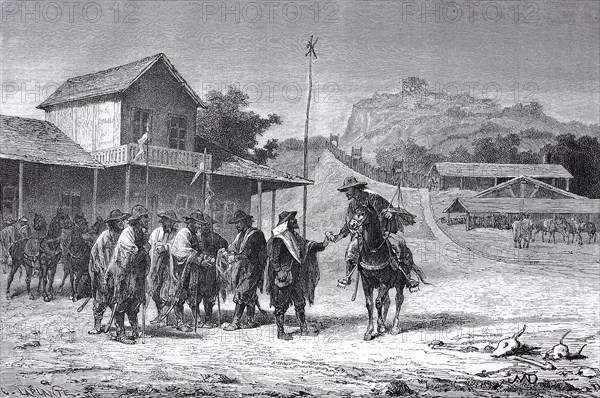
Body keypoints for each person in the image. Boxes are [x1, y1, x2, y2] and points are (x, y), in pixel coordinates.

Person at [328, 176, 420, 289]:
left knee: (400, 243)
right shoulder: (352, 205)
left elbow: (388, 209)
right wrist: (339, 236)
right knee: (351, 250)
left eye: (347, 190)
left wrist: (390, 215)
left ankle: (407, 277)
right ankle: (347, 277)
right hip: (363, 236)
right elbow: (350, 223)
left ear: (355, 188)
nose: (346, 193)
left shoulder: (373, 197)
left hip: (381, 233)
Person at [266, 211, 329, 340]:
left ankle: (303, 328)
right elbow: (273, 257)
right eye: (292, 220)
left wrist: (324, 242)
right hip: (284, 276)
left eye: (294, 219)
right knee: (280, 305)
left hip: (295, 277)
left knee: (300, 303)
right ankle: (281, 332)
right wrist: (279, 271)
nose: (295, 221)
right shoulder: (279, 238)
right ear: (286, 223)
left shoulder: (294, 237)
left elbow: (307, 245)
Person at [106, 205, 150, 344]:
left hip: (135, 274)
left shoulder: (141, 233)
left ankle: (135, 329)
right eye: (144, 217)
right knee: (121, 302)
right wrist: (144, 250)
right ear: (137, 220)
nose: (147, 220)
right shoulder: (127, 234)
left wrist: (145, 247)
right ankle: (120, 333)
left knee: (135, 302)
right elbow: (130, 257)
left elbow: (142, 257)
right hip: (123, 274)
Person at [222, 210, 267, 331]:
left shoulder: (255, 234)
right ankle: (250, 320)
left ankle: (235, 322)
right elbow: (234, 246)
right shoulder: (241, 235)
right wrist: (226, 251)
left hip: (253, 268)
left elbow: (247, 252)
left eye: (238, 222)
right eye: (235, 223)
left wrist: (235, 257)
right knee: (250, 294)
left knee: (241, 292)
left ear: (246, 221)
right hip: (244, 268)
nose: (236, 225)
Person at [167, 210, 211, 332]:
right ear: (191, 223)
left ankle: (197, 319)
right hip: (181, 270)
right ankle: (180, 322)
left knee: (194, 294)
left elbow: (197, 252)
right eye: (198, 223)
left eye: (201, 224)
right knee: (180, 296)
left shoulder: (195, 235)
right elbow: (181, 251)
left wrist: (203, 258)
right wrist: (199, 260)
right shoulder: (183, 233)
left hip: (192, 270)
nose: (200, 226)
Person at [87, 209, 128, 335]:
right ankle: (97, 325)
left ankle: (119, 327)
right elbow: (98, 257)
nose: (122, 223)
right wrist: (104, 276)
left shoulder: (123, 236)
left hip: (118, 274)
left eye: (122, 220)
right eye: (118, 221)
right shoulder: (104, 237)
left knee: (118, 302)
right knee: (100, 301)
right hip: (103, 274)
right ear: (112, 224)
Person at [147, 210, 180, 327]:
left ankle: (164, 318)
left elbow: (177, 247)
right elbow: (150, 245)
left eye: (171, 221)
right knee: (155, 290)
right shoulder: (156, 232)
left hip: (169, 267)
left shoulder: (177, 234)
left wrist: (166, 247)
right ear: (163, 221)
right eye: (167, 221)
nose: (169, 224)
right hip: (156, 266)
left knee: (166, 291)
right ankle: (160, 314)